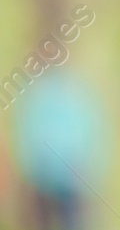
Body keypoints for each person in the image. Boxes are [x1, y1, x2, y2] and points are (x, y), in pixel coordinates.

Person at [12, 72, 103, 230]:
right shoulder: (73, 92)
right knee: (67, 220)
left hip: (56, 175)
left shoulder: (39, 95)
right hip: (59, 175)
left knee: (60, 220)